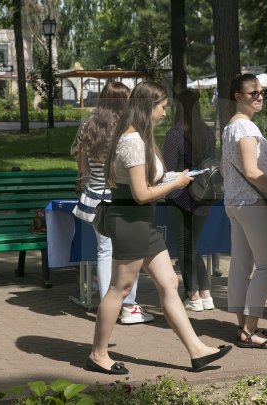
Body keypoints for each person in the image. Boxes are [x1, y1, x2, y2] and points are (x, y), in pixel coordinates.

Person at [87, 81, 231, 375]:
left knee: (169, 283)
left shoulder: (136, 138)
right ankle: (98, 354)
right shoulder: (132, 142)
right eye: (162, 107)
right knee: (120, 287)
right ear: (148, 107)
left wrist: (174, 177)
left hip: (139, 220)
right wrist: (176, 184)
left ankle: (197, 350)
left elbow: (145, 184)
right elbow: (141, 193)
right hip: (131, 219)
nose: (165, 113)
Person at [71, 82, 154, 324]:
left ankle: (111, 305)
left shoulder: (88, 125)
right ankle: (128, 306)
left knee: (104, 251)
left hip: (94, 196)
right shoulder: (128, 128)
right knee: (130, 253)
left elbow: (81, 166)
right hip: (121, 196)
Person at [222, 73, 267, 350]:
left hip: (235, 202)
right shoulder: (246, 129)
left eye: (261, 92)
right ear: (238, 97)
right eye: (253, 93)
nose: (260, 97)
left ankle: (242, 324)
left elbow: (227, 170)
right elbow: (251, 170)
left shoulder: (230, 127)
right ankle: (250, 329)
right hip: (252, 202)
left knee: (241, 263)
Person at [163, 89, 216, 312]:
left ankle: (193, 295)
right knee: (192, 245)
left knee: (185, 247)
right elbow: (211, 160)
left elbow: (169, 166)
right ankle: (206, 294)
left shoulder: (175, 133)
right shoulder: (209, 132)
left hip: (180, 193)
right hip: (205, 193)